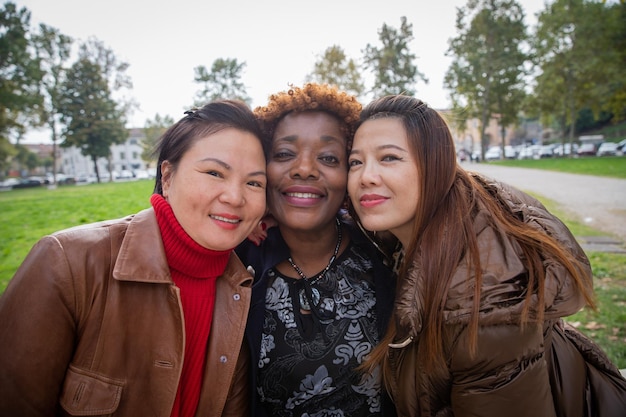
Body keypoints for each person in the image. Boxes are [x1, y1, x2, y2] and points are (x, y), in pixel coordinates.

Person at [347, 94, 626, 417]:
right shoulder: (416, 236)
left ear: (435, 165)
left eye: (389, 158)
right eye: (356, 161)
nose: (365, 176)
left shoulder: (483, 296)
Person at [0, 99, 268, 417]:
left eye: (254, 183)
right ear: (167, 177)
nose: (235, 197)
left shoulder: (241, 286)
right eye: (214, 172)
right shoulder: (66, 264)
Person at [236, 83, 397, 416]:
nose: (305, 168)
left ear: (351, 172)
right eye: (283, 154)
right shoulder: (234, 263)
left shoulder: (388, 254)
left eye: (328, 157)